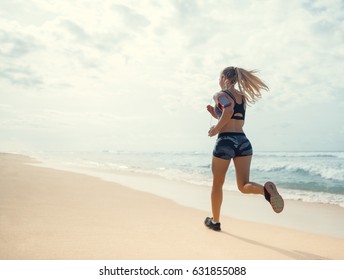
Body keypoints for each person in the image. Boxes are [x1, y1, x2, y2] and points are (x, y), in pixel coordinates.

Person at [205, 66, 284, 231]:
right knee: (243, 185)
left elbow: (228, 110)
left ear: (225, 78)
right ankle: (266, 192)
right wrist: (216, 114)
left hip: (226, 141)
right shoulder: (243, 97)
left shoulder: (219, 95)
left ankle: (215, 221)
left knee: (217, 184)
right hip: (243, 142)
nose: (218, 81)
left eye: (219, 78)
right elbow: (235, 117)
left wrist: (215, 130)